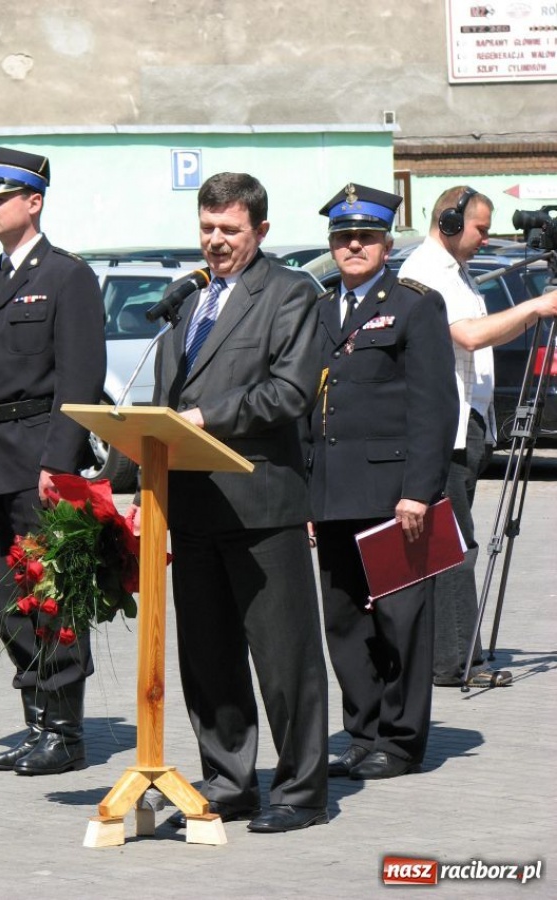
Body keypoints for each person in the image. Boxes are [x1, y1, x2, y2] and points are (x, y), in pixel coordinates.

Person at [130, 172, 329, 833]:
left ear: (261, 231)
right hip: (189, 506)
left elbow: (287, 393)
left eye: (229, 230)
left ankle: (301, 792)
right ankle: (229, 780)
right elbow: (163, 401)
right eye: (206, 228)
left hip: (259, 504)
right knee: (208, 656)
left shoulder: (292, 294)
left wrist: (203, 417)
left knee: (282, 657)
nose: (215, 242)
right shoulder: (187, 301)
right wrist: (122, 467)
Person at [0, 146, 106, 775]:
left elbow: (79, 376)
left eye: (0, 197)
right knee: (7, 598)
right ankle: (36, 721)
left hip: (37, 455)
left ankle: (65, 732)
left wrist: (59, 461)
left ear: (33, 202)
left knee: (52, 596)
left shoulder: (66, 277)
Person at [306, 182, 459, 780]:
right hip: (332, 492)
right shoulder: (320, 311)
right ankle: (361, 733)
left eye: (366, 236)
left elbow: (433, 407)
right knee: (344, 622)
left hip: (395, 495)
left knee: (399, 620)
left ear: (386, 242)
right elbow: (310, 407)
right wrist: (306, 498)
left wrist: (420, 490)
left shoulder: (416, 305)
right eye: (344, 237)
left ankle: (400, 741)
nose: (354, 246)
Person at [399, 186, 557, 688]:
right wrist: (537, 305)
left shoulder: (457, 271)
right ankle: (456, 659)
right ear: (447, 221)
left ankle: (448, 652)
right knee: (455, 544)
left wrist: (530, 313)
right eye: (480, 229)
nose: (486, 240)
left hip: (470, 422)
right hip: (445, 425)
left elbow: (485, 330)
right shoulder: (425, 272)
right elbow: (467, 335)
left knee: (448, 541)